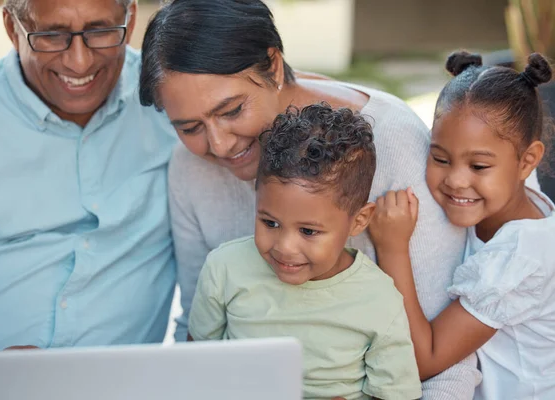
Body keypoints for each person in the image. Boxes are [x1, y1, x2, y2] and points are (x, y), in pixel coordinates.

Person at [139, 0, 480, 397]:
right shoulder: (190, 167)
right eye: (190, 126)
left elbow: (444, 365)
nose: (219, 144)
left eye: (231, 110)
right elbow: (197, 336)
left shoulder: (390, 142)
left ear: (274, 65)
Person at [0, 0, 177, 354]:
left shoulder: (172, 98)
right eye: (52, 36)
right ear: (13, 29)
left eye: (100, 30)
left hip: (129, 383)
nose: (80, 61)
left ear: (131, 19)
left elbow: (270, 95)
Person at [188, 103, 422, 400]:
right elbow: (195, 364)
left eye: (308, 231)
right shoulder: (224, 269)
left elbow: (396, 395)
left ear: (359, 220)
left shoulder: (379, 299)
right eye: (270, 222)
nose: (284, 247)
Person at [369, 51, 555, 399]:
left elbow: (425, 359)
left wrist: (392, 249)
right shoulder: (516, 190)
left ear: (527, 161)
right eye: (440, 158)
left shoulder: (518, 260)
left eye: (478, 167)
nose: (455, 180)